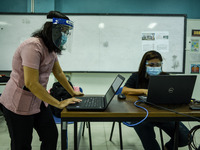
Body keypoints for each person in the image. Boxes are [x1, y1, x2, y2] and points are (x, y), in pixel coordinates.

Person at [0, 11, 83, 150]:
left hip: (38, 101)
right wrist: (59, 103)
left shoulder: (51, 48)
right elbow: (31, 83)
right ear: (53, 30)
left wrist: (73, 93)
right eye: (63, 31)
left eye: (67, 32)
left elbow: (58, 72)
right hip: (18, 103)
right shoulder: (33, 46)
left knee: (50, 136)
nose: (65, 36)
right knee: (21, 145)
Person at [122, 50, 190, 150]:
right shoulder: (137, 76)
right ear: (145, 64)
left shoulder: (166, 77)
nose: (155, 67)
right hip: (141, 116)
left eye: (158, 64)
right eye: (151, 64)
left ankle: (167, 147)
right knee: (151, 146)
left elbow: (174, 93)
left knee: (186, 138)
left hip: (163, 114)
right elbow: (124, 90)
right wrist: (144, 91)